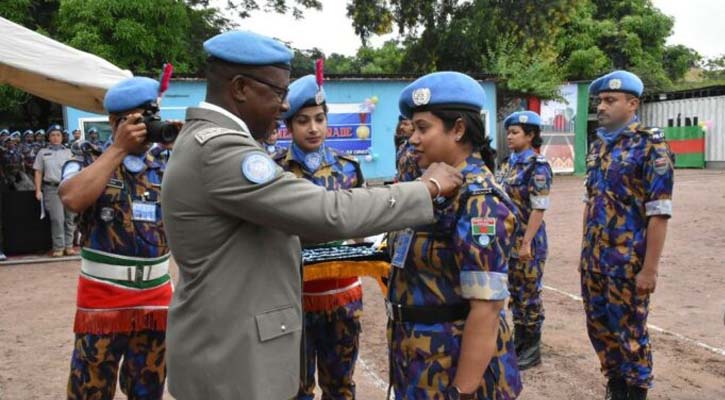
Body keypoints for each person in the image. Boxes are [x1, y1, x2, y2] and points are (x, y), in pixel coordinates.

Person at [161, 30, 463, 400]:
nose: (283, 107)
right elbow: (326, 213)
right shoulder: (222, 150)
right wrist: (425, 189)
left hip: (227, 345)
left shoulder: (207, 140)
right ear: (240, 87)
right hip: (232, 358)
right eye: (278, 93)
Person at [386, 71, 522, 400]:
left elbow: (486, 310)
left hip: (452, 367)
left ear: (458, 129)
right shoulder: (432, 186)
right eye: (412, 128)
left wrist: (462, 391)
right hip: (419, 359)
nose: (412, 139)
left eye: (423, 128)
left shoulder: (478, 200)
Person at [59, 77, 176, 400]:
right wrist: (119, 148)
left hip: (155, 299)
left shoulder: (166, 160)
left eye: (150, 118)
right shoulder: (89, 154)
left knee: (148, 390)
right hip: (103, 302)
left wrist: (185, 146)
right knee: (90, 390)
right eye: (138, 121)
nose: (146, 128)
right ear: (115, 122)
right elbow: (71, 198)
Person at [581, 70, 674, 400]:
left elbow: (659, 214)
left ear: (632, 104)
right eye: (600, 101)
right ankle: (615, 385)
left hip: (628, 264)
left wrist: (649, 269)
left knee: (630, 333)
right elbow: (591, 203)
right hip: (594, 261)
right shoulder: (598, 148)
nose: (602, 107)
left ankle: (635, 391)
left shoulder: (651, 147)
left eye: (610, 100)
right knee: (599, 328)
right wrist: (584, 254)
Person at [274, 74, 365, 400]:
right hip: (292, 295)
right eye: (302, 121)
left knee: (340, 386)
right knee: (294, 388)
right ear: (288, 126)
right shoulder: (275, 171)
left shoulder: (348, 170)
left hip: (342, 296)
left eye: (319, 119)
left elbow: (361, 229)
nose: (313, 128)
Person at [497, 110, 552, 370]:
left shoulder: (537, 166)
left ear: (530, 136)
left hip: (528, 242)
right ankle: (519, 343)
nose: (509, 136)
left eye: (515, 132)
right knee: (516, 293)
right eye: (508, 132)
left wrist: (527, 243)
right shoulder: (508, 164)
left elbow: (538, 208)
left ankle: (532, 348)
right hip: (509, 240)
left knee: (529, 293)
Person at [33, 125, 76, 257]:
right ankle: (59, 247)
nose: (55, 138)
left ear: (62, 137)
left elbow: (76, 170)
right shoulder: (42, 152)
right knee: (57, 219)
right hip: (52, 188)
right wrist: (38, 190)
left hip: (69, 187)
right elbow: (38, 172)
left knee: (70, 218)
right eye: (53, 135)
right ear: (49, 137)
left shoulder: (69, 152)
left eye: (58, 135)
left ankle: (69, 246)